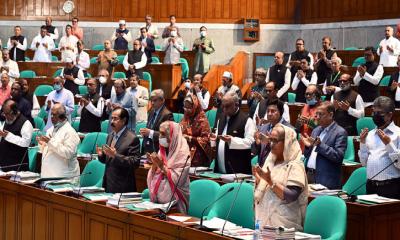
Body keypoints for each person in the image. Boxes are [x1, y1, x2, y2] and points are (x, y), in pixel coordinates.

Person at [254, 124, 308, 231]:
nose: (271, 144)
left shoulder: (295, 165)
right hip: (264, 221)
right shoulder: (270, 161)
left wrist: (270, 181)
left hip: (284, 225)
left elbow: (292, 196)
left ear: (287, 141)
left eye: (275, 141)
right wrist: (259, 180)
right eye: (270, 140)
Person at [359, 96, 400, 199]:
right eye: (373, 112)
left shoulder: (398, 134)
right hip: (371, 186)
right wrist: (362, 143)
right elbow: (364, 163)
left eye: (379, 113)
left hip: (390, 187)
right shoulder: (371, 134)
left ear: (390, 115)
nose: (375, 116)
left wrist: (389, 144)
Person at [147, 121, 190, 213]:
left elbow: (179, 179)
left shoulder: (182, 152)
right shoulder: (163, 150)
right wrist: (155, 163)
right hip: (159, 204)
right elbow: (155, 173)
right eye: (159, 133)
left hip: (176, 203)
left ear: (172, 134)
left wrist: (162, 166)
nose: (160, 137)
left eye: (163, 134)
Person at [302, 102, 347, 189]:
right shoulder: (316, 130)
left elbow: (338, 156)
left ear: (330, 115)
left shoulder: (340, 132)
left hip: (326, 179)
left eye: (321, 114)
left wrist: (320, 145)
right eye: (316, 114)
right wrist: (308, 147)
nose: (317, 117)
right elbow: (307, 155)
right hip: (310, 175)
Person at [97, 107, 141, 193]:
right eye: (111, 118)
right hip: (108, 183)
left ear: (124, 120)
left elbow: (135, 162)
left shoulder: (132, 138)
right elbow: (108, 160)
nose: (112, 121)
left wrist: (115, 155)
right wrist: (101, 155)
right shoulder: (110, 135)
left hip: (123, 186)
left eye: (115, 119)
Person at [211, 93, 256, 174]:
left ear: (236, 104)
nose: (224, 109)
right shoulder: (221, 118)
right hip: (220, 170)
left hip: (238, 171)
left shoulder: (246, 120)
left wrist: (232, 140)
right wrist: (213, 139)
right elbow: (217, 137)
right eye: (223, 106)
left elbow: (251, 142)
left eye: (227, 106)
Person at [38, 103, 80, 180]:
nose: (51, 117)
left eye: (54, 115)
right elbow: (50, 150)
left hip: (63, 177)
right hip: (48, 174)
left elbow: (68, 153)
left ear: (62, 116)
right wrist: (43, 145)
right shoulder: (50, 129)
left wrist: (50, 142)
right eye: (51, 114)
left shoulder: (70, 132)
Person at [252, 99, 293, 166]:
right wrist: (257, 143)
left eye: (273, 111)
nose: (269, 114)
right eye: (268, 111)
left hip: (280, 169)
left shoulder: (289, 130)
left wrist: (270, 142)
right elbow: (256, 152)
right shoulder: (262, 128)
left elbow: (289, 151)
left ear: (281, 112)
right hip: (264, 168)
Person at [0, 99, 33, 171]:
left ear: (14, 112)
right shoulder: (7, 120)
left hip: (17, 168)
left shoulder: (26, 123)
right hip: (4, 165)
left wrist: (8, 136)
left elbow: (26, 143)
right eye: (4, 113)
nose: (5, 116)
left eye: (7, 114)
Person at [180, 94, 212, 167]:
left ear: (194, 106)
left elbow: (206, 140)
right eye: (185, 107)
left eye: (189, 107)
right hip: (184, 150)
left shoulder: (202, 119)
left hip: (198, 152)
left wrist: (190, 138)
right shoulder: (185, 118)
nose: (186, 110)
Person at [140, 89, 174, 154]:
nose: (152, 103)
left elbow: (168, 135)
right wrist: (145, 132)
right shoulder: (151, 111)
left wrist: (150, 133)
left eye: (155, 100)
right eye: (151, 100)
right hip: (147, 148)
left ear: (162, 100)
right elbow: (149, 127)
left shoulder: (167, 114)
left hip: (158, 150)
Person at [295, 85, 322, 150]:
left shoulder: (323, 108)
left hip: (316, 144)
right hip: (303, 144)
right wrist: (298, 123)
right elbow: (297, 128)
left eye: (310, 94)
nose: (307, 96)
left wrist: (310, 123)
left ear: (317, 95)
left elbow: (324, 129)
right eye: (306, 94)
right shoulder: (304, 107)